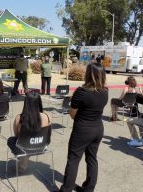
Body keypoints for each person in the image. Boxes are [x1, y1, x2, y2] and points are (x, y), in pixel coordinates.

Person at [55, 63, 108, 192]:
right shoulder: (105, 91)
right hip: (98, 128)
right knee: (92, 159)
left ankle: (66, 189)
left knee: (73, 159)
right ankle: (89, 188)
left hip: (83, 130)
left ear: (88, 75)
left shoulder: (81, 92)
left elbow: (72, 115)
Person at [7, 91, 51, 172]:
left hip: (24, 147)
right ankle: (25, 159)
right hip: (41, 146)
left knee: (11, 140)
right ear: (39, 102)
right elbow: (48, 135)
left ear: (26, 103)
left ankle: (23, 159)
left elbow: (17, 136)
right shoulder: (46, 117)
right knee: (28, 142)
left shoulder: (19, 118)